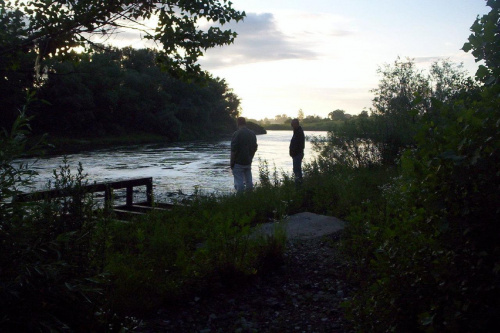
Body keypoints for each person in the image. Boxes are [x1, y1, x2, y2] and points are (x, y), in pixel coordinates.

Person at [230, 117, 258, 192]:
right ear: (245, 123)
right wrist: (250, 158)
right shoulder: (252, 133)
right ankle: (249, 196)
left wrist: (232, 162)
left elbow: (234, 150)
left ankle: (240, 198)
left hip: (238, 162)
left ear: (238, 123)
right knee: (249, 181)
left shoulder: (237, 133)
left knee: (239, 182)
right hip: (248, 161)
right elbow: (255, 148)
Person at [289, 118, 305, 185]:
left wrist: (294, 152)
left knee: (297, 170)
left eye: (293, 124)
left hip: (297, 154)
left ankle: (298, 185)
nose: (292, 126)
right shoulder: (297, 131)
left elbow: (299, 145)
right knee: (296, 170)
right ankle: (298, 184)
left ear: (296, 124)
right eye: (291, 125)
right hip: (296, 154)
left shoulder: (299, 132)